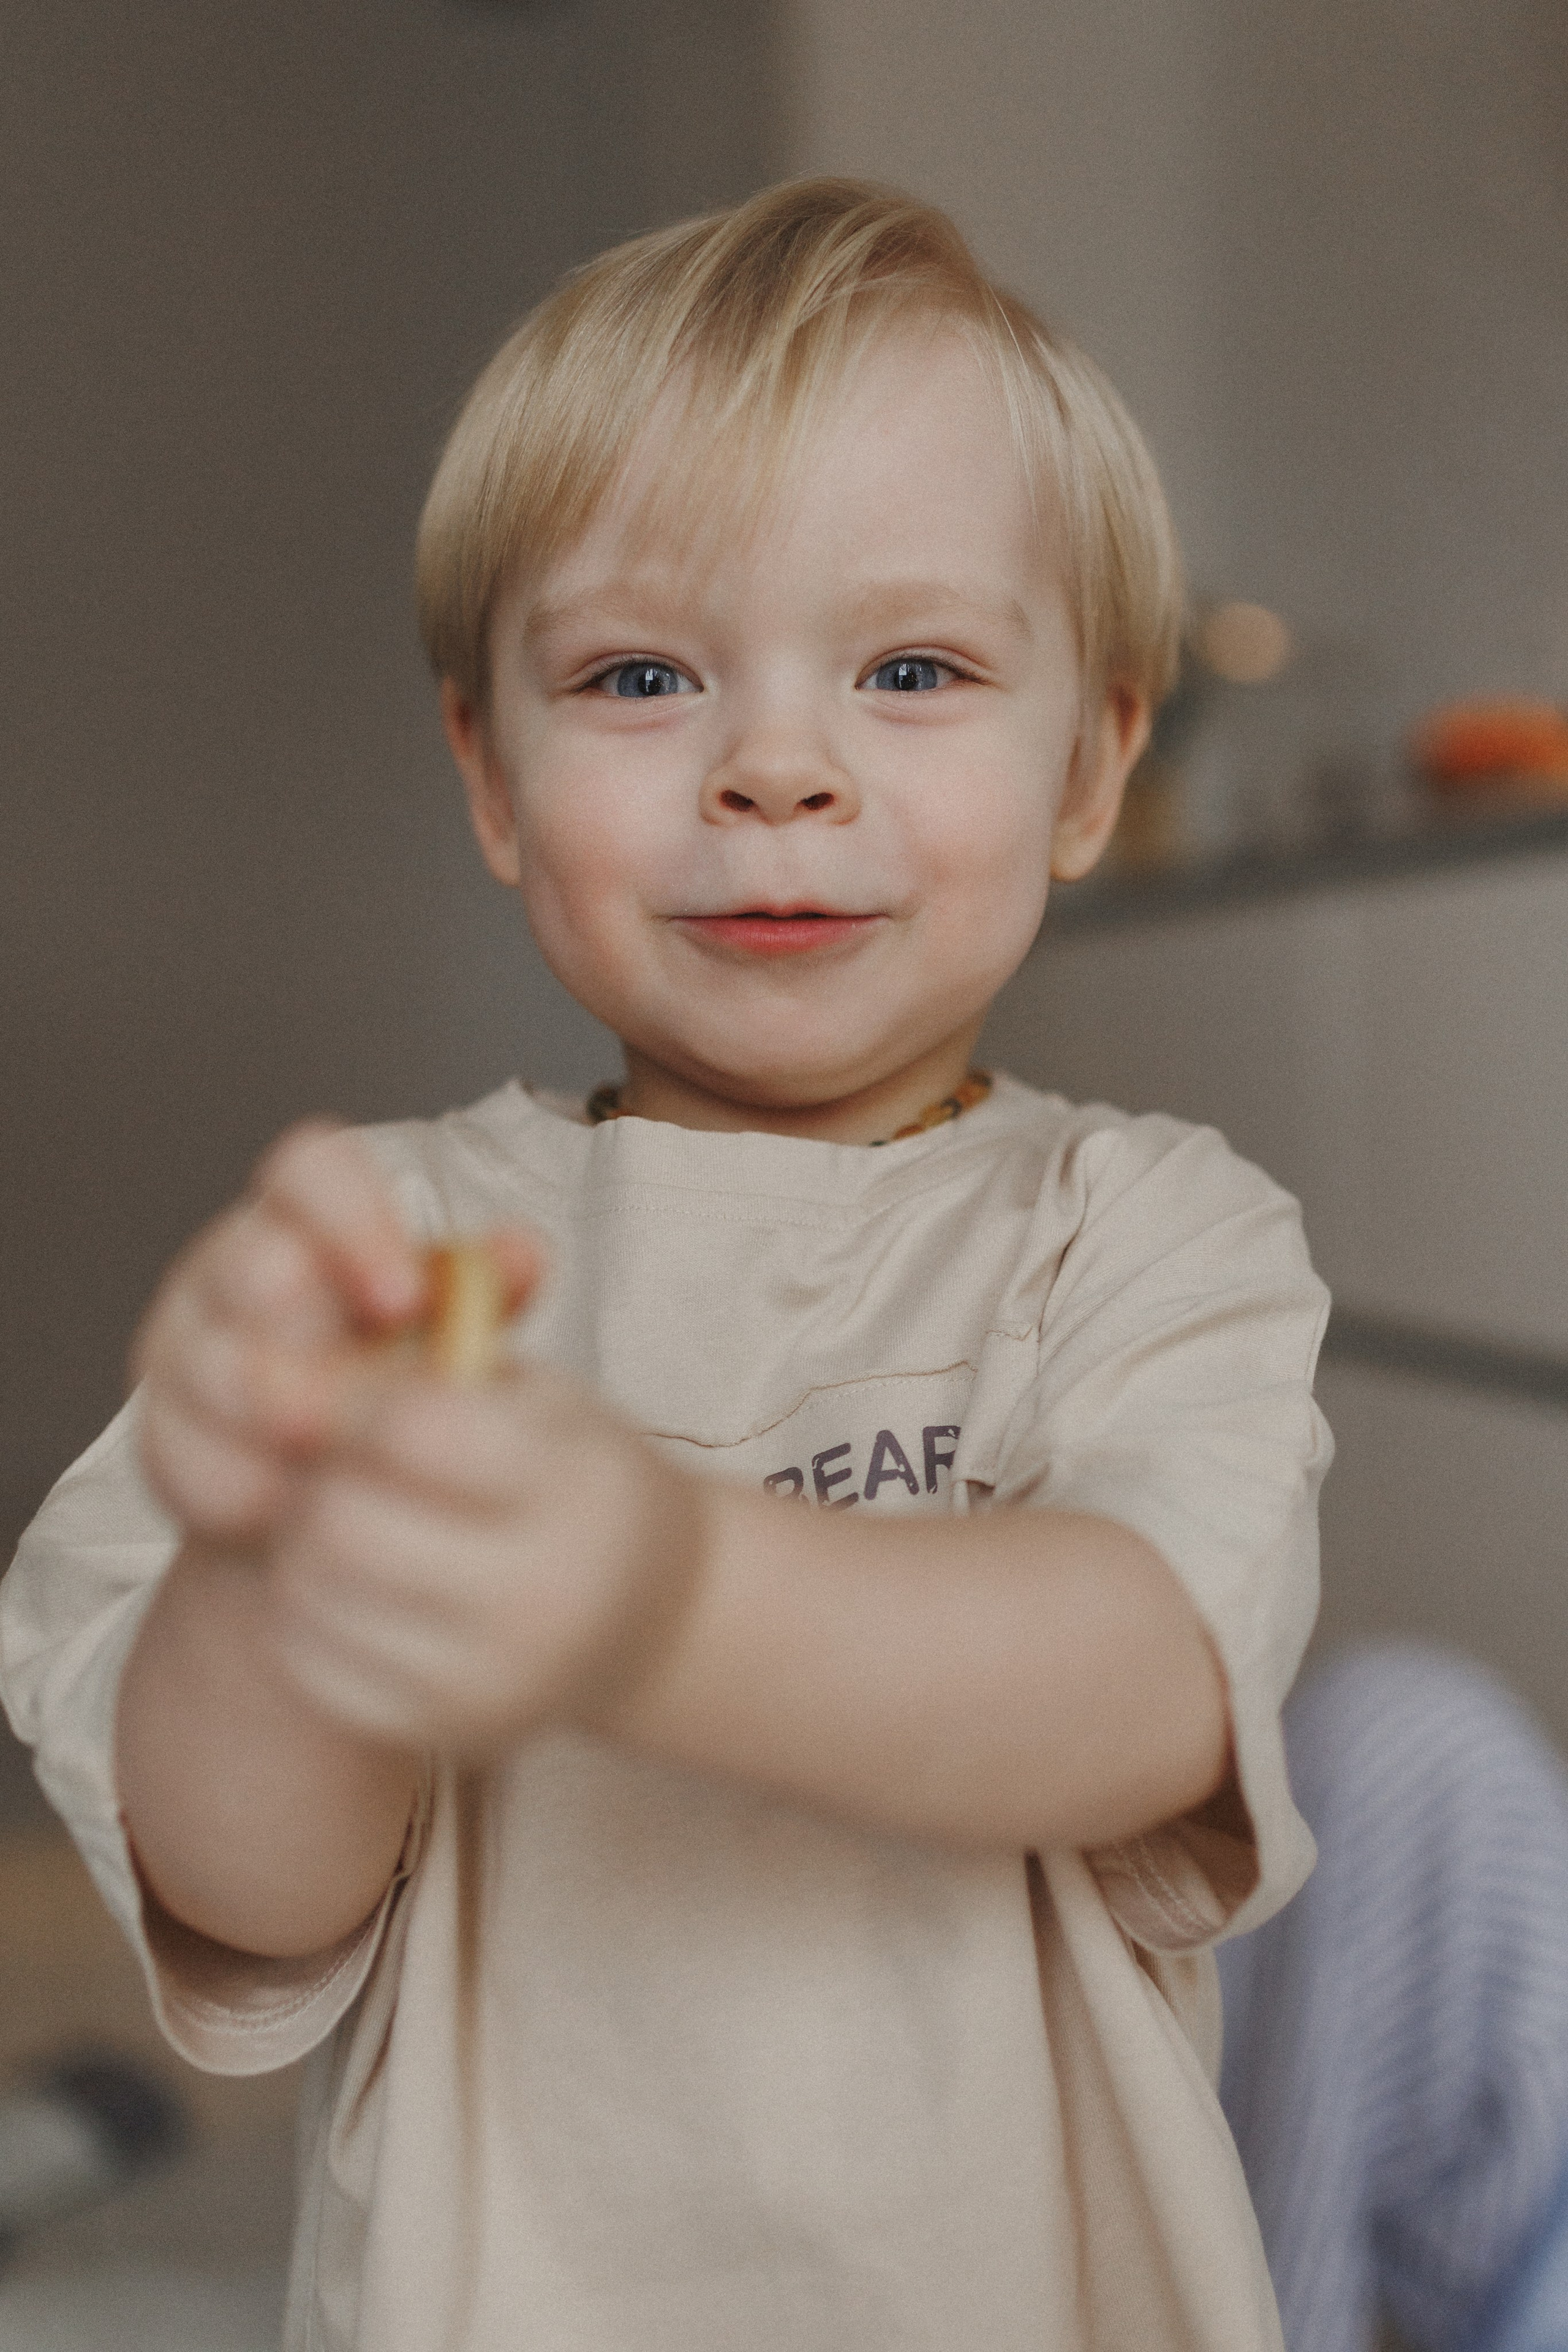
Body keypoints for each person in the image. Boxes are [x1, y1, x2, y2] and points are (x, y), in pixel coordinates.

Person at [0, 179, 1332, 2351]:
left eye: (912, 668)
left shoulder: (1150, 1236)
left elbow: (1134, 1693)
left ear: (1091, 758)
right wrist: (271, 1567)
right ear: (491, 772)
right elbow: (250, 1895)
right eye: (639, 673)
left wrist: (660, 1594)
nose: (778, 768)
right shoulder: (377, 1261)